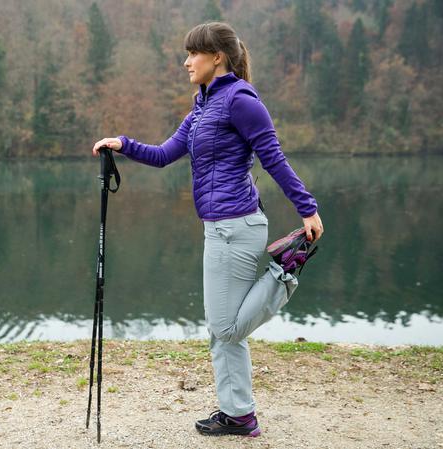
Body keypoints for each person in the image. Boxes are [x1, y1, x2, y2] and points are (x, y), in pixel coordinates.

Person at [91, 22, 324, 438]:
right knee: (222, 329)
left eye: (193, 53)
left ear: (217, 57)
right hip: (218, 229)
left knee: (225, 327)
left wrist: (308, 209)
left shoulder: (241, 101)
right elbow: (164, 155)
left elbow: (273, 158)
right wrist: (121, 144)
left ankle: (283, 274)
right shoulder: (202, 107)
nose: (186, 61)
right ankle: (238, 414)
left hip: (237, 226)